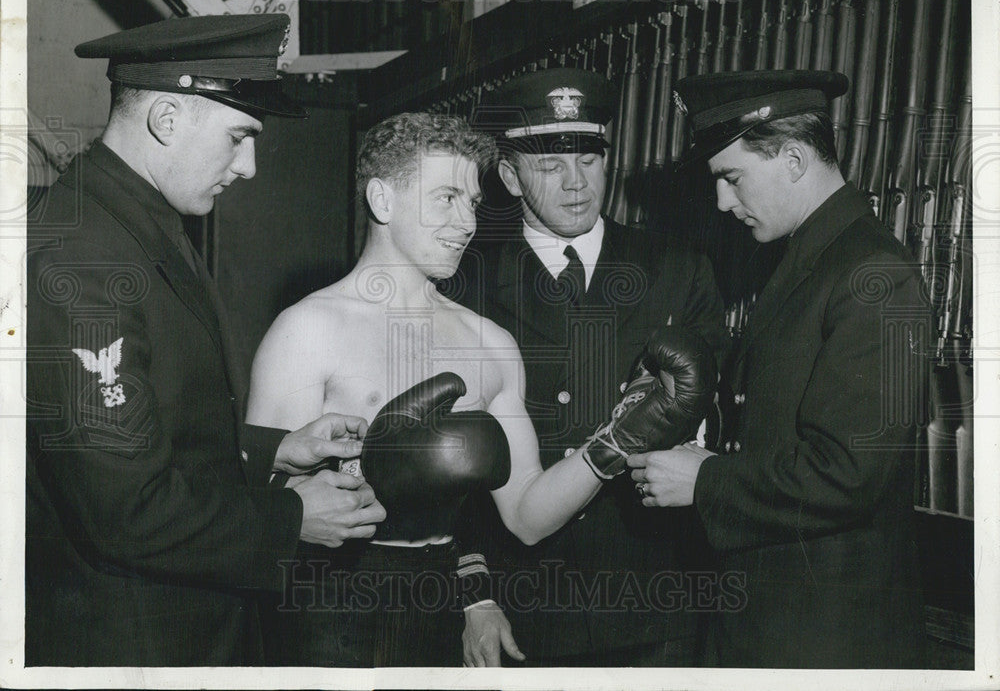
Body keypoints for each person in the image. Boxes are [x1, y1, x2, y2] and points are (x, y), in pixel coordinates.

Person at [246, 111, 716, 666]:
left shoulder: (488, 342)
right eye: (445, 198)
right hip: (331, 604)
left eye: (471, 202)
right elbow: (255, 507)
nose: (465, 222)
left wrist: (616, 443)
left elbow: (528, 517)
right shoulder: (308, 327)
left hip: (443, 605)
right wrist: (355, 476)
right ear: (383, 200)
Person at [26, 14, 387, 666]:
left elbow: (155, 428)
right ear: (167, 118)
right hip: (131, 644)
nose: (249, 166)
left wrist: (279, 449)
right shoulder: (83, 258)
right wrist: (289, 517)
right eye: (239, 136)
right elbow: (126, 508)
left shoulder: (140, 219)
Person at [628, 69, 929, 668]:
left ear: (793, 159)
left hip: (826, 638)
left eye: (732, 178)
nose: (721, 201)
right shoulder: (812, 258)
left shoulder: (877, 275)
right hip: (774, 617)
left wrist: (704, 480)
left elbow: (848, 472)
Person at [446, 67, 731, 667]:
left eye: (589, 159)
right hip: (523, 603)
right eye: (550, 166)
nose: (575, 184)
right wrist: (474, 594)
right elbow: (450, 469)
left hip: (655, 601)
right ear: (509, 176)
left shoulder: (679, 269)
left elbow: (714, 425)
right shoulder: (464, 281)